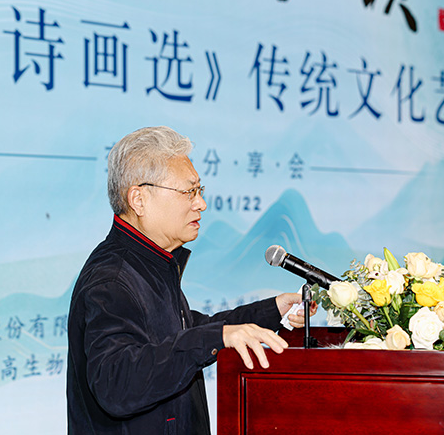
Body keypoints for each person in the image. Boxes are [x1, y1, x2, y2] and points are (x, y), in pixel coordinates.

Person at [67, 126, 315, 434]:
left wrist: (272, 310)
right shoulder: (112, 279)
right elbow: (117, 383)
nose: (201, 204)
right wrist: (213, 338)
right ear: (139, 199)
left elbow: (186, 332)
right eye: (189, 192)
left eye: (200, 190)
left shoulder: (150, 262)